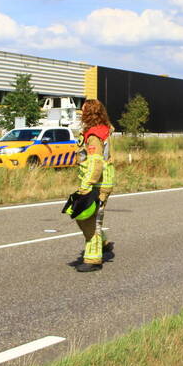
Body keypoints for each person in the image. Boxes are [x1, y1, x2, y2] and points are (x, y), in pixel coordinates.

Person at [73, 99, 115, 272]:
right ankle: (103, 242)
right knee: (84, 217)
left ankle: (93, 260)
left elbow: (96, 163)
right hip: (99, 182)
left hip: (96, 184)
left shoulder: (94, 135)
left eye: (82, 111)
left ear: (88, 113)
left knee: (90, 221)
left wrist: (87, 185)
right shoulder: (100, 131)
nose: (80, 113)